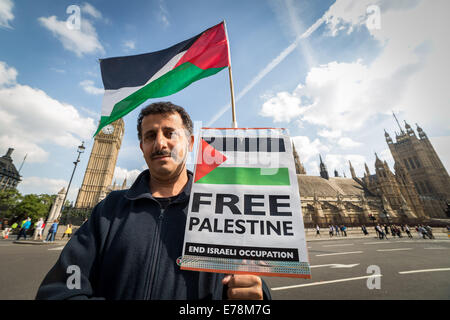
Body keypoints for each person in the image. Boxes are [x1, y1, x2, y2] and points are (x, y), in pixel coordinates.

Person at [36, 102, 271, 300]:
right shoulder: (109, 209)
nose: (160, 143)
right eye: (150, 136)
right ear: (142, 147)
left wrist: (256, 294)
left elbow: (250, 287)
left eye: (170, 133)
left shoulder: (224, 209)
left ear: (189, 143)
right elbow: (62, 288)